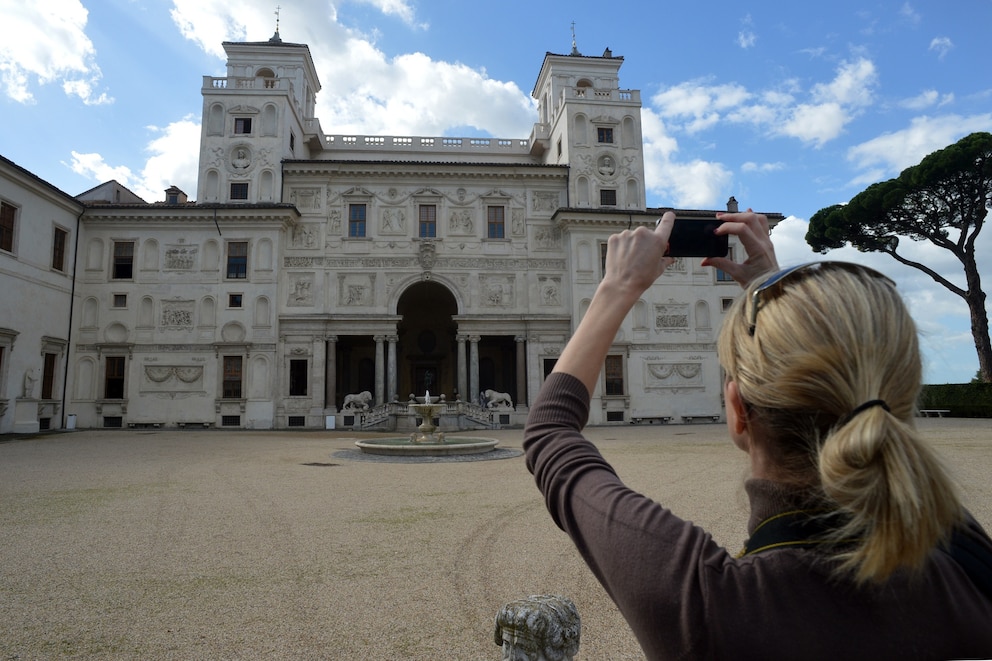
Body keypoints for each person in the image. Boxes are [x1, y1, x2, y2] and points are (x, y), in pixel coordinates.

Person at [523, 210, 992, 660]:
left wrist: (616, 286)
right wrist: (774, 293)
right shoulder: (965, 555)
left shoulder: (710, 601)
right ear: (901, 395)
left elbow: (549, 431)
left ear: (737, 411)